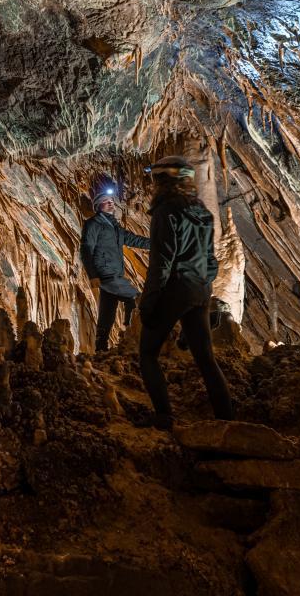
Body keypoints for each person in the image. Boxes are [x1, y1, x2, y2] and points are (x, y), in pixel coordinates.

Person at [137, 156, 234, 428]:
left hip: (175, 290)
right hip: (200, 290)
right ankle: (227, 419)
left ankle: (164, 416)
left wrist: (150, 300)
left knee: (148, 353)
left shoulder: (165, 211)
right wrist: (204, 285)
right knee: (205, 359)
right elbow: (211, 259)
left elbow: (162, 262)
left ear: (161, 181)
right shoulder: (202, 210)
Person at [80, 185, 149, 352]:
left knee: (107, 314)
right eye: (106, 202)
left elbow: (133, 240)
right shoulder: (93, 224)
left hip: (114, 273)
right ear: (98, 206)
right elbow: (86, 249)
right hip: (106, 273)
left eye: (111, 201)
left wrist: (156, 242)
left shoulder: (115, 227)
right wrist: (92, 275)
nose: (110, 204)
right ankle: (131, 328)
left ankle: (100, 348)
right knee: (134, 297)